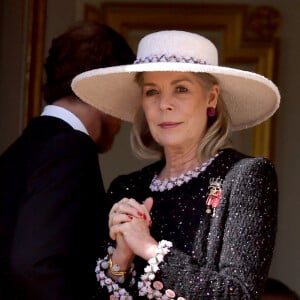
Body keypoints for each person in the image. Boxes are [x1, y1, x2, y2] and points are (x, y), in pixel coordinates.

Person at [72, 30, 280, 299]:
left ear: (211, 98)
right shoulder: (127, 188)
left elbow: (239, 294)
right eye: (151, 91)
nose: (164, 104)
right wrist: (121, 259)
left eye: (181, 89)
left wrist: (149, 249)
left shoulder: (243, 177)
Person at [0, 22, 135, 300]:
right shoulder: (71, 148)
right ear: (105, 88)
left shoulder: (19, 150)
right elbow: (32, 264)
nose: (123, 117)